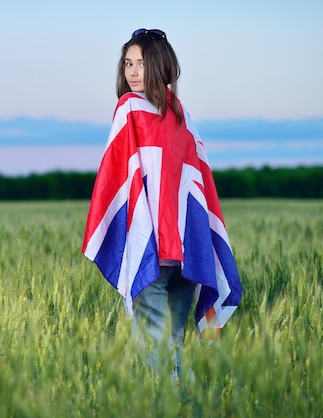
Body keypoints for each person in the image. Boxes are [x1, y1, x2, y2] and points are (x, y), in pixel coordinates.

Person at [82, 29, 242, 378]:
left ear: (161, 66)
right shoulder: (182, 115)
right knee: (173, 346)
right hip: (186, 252)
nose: (133, 72)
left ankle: (164, 407)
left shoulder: (128, 109)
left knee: (155, 350)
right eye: (128, 63)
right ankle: (185, 404)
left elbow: (116, 178)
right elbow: (198, 186)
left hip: (150, 251)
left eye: (142, 63)